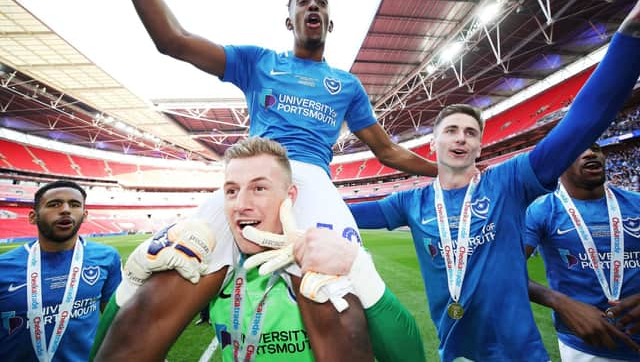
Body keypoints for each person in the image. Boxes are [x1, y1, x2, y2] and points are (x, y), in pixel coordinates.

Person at [96, 0, 437, 359]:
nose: (313, 6)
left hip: (310, 182)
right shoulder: (259, 62)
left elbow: (388, 152)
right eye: (304, 2)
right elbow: (174, 40)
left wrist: (445, 172)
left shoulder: (347, 86)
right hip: (253, 178)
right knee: (152, 290)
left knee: (342, 309)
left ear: (329, 23)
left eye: (321, 3)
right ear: (289, 20)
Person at [343, 0, 640, 361]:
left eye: (470, 132)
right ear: (432, 144)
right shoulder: (410, 202)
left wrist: (628, 37)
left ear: (480, 145)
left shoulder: (508, 183)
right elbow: (345, 212)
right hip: (457, 354)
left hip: (522, 354)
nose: (460, 138)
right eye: (450, 131)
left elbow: (583, 122)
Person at [94, 137, 424, 361]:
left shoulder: (321, 266)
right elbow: (113, 354)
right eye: (232, 191)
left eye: (259, 188)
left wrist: (360, 270)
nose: (242, 204)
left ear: (289, 198)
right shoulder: (211, 268)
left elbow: (408, 355)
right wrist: (131, 284)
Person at [525, 143, 640, 361]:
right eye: (577, 149)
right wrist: (560, 302)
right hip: (585, 346)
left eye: (595, 148)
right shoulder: (541, 211)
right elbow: (504, 270)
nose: (589, 153)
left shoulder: (636, 203)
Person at [0, 180, 121, 362]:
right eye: (54, 204)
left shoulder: (107, 258)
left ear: (85, 214)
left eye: (74, 204)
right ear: (33, 217)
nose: (66, 210)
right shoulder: (4, 266)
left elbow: (116, 319)